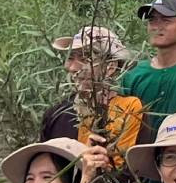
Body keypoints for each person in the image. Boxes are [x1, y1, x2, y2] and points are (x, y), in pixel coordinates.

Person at [38, 26, 151, 168]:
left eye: (85, 58)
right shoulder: (56, 115)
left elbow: (128, 174)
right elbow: (43, 169)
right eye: (70, 57)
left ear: (110, 67)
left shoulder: (128, 109)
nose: (72, 67)